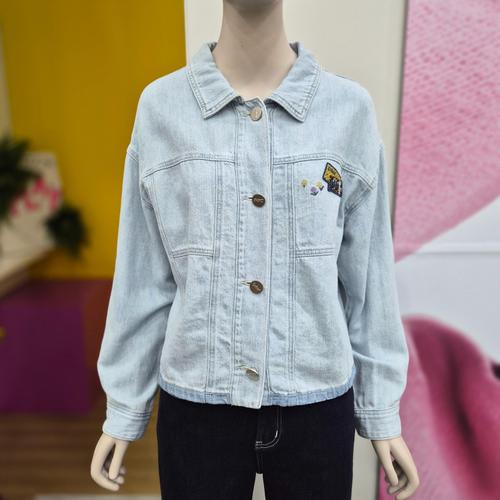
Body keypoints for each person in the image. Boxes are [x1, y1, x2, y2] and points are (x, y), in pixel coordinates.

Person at [90, 1, 420, 499]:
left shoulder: (347, 110)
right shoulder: (162, 108)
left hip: (316, 406)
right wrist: (123, 407)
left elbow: (369, 283)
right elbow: (143, 277)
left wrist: (381, 411)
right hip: (197, 409)